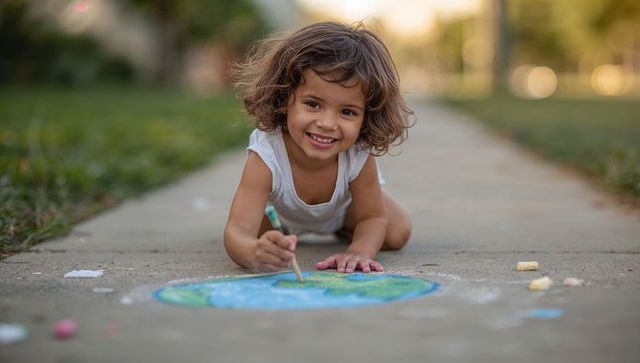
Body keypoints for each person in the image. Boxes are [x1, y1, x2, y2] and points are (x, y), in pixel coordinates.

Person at [224, 21, 414, 274]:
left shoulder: (357, 152)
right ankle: (282, 237)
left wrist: (360, 250)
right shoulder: (267, 153)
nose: (327, 124)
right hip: (277, 217)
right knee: (258, 238)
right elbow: (237, 230)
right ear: (284, 97)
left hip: (343, 212)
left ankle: (343, 227)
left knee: (396, 232)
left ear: (366, 117)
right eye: (313, 104)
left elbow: (372, 217)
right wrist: (253, 252)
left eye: (347, 112)